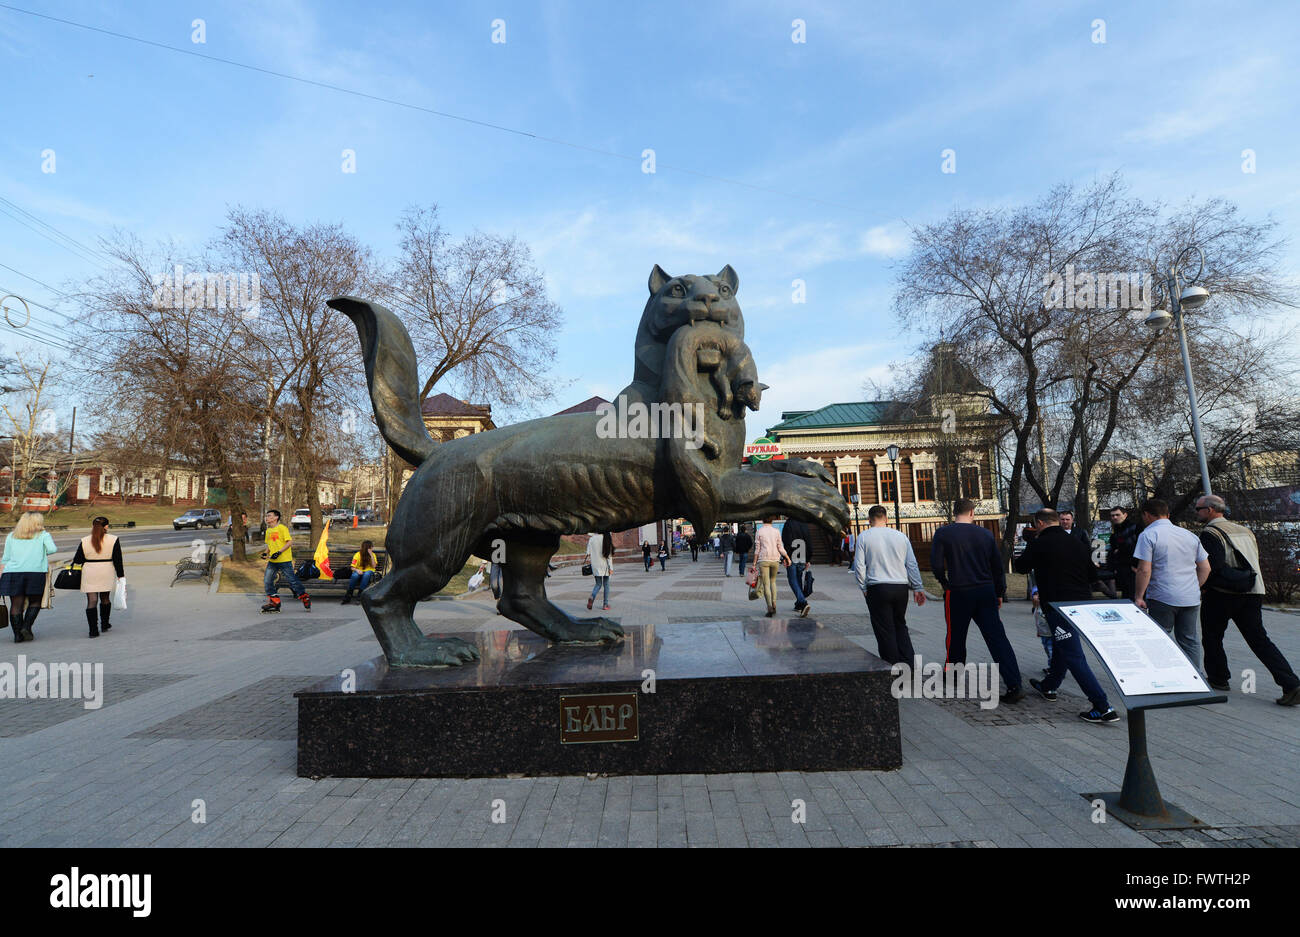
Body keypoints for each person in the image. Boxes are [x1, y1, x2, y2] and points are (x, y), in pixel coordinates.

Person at [1015, 508, 1120, 723]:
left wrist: (1032, 544)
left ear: (1040, 523)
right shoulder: (1076, 542)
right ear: (1056, 521)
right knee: (1063, 644)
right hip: (1081, 603)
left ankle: (1103, 706)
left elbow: (1021, 567)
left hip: (1058, 605)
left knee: (1073, 654)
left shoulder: (1039, 543)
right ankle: (1049, 686)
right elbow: (1093, 574)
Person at [1196, 495, 1299, 705]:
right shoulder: (1245, 530)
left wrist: (1203, 587)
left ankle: (1218, 678)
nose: (1196, 513)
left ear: (1210, 510)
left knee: (1212, 635)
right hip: (1252, 590)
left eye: (1198, 509)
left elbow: (1213, 566)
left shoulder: (1210, 533)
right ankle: (1291, 684)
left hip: (1222, 593)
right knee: (1259, 640)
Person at [930, 498, 1024, 703]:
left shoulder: (943, 533)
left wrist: (945, 583)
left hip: (959, 590)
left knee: (956, 635)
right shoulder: (985, 534)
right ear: (972, 512)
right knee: (997, 638)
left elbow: (936, 565)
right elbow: (997, 567)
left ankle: (954, 673)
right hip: (985, 590)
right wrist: (999, 592)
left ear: (955, 512)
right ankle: (1014, 683)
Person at [1133, 498, 1208, 669]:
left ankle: (1166, 676)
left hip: (1162, 596)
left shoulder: (1148, 535)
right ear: (1167, 514)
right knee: (1190, 640)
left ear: (1146, 515)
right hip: (1190, 598)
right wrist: (1194, 587)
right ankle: (1195, 678)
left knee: (1161, 637)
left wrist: (1139, 596)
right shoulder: (1189, 535)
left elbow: (1144, 570)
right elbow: (1205, 568)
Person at [852, 505, 925, 664]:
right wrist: (918, 587)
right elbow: (911, 564)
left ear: (869, 520)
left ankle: (891, 665)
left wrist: (863, 586)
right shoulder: (901, 536)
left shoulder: (864, 537)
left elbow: (859, 566)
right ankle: (909, 663)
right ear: (886, 518)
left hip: (878, 587)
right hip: (900, 587)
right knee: (900, 624)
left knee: (885, 629)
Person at [0, 511, 57, 643]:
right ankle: (26, 627)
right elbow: (52, 549)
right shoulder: (43, 535)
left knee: (16, 604)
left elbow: (6, 557)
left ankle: (17, 635)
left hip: (12, 573)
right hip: (35, 573)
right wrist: (41, 550)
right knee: (35, 601)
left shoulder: (11, 536)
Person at [71, 516, 125, 638]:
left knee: (92, 601)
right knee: (105, 598)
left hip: (89, 571)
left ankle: (93, 630)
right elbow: (118, 560)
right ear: (106, 526)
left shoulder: (85, 540)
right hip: (106, 570)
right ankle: (105, 624)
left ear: (93, 526)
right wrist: (120, 575)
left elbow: (78, 559)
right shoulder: (113, 539)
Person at [261, 509, 311, 613]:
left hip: (284, 560)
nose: (267, 518)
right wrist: (266, 553)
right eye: (266, 516)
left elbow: (289, 542)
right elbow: (270, 545)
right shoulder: (268, 531)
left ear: (276, 517)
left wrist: (279, 552)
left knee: (292, 581)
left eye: (269, 516)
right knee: (267, 581)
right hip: (273, 562)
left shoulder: (282, 528)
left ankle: (304, 597)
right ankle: (274, 601)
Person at [754, 515, 792, 617]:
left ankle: (769, 607)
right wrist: (787, 558)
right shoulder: (776, 531)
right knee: (773, 582)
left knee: (766, 584)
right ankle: (774, 603)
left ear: (762, 520)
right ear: (772, 520)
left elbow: (757, 549)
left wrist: (754, 563)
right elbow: (780, 547)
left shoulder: (759, 531)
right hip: (775, 559)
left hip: (763, 560)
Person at [781, 516, 812, 617]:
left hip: (792, 555)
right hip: (802, 554)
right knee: (798, 579)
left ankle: (803, 602)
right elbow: (808, 541)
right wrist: (808, 558)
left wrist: (785, 557)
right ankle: (798, 604)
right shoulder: (803, 524)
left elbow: (786, 542)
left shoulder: (788, 524)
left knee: (792, 580)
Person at [1107, 506, 1139, 599]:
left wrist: (1136, 565)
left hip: (1134, 569)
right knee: (1127, 596)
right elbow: (1113, 552)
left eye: (1117, 515)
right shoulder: (1115, 533)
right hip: (1123, 569)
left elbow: (1140, 548)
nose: (1115, 517)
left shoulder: (1135, 528)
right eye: (1112, 516)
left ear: (1125, 515)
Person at [342, 539, 378, 605]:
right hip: (359, 571)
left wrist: (371, 555)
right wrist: (357, 570)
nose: (373, 548)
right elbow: (352, 567)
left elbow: (374, 566)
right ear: (368, 548)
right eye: (371, 547)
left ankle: (360, 595)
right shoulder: (357, 555)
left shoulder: (373, 555)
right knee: (355, 575)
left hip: (369, 572)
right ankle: (349, 595)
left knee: (366, 574)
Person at [586, 531, 614, 611]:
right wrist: (611, 568)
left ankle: (592, 596)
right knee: (606, 585)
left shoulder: (591, 539)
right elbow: (609, 555)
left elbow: (588, 553)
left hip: (595, 565)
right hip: (605, 565)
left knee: (598, 584)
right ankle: (605, 604)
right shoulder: (606, 537)